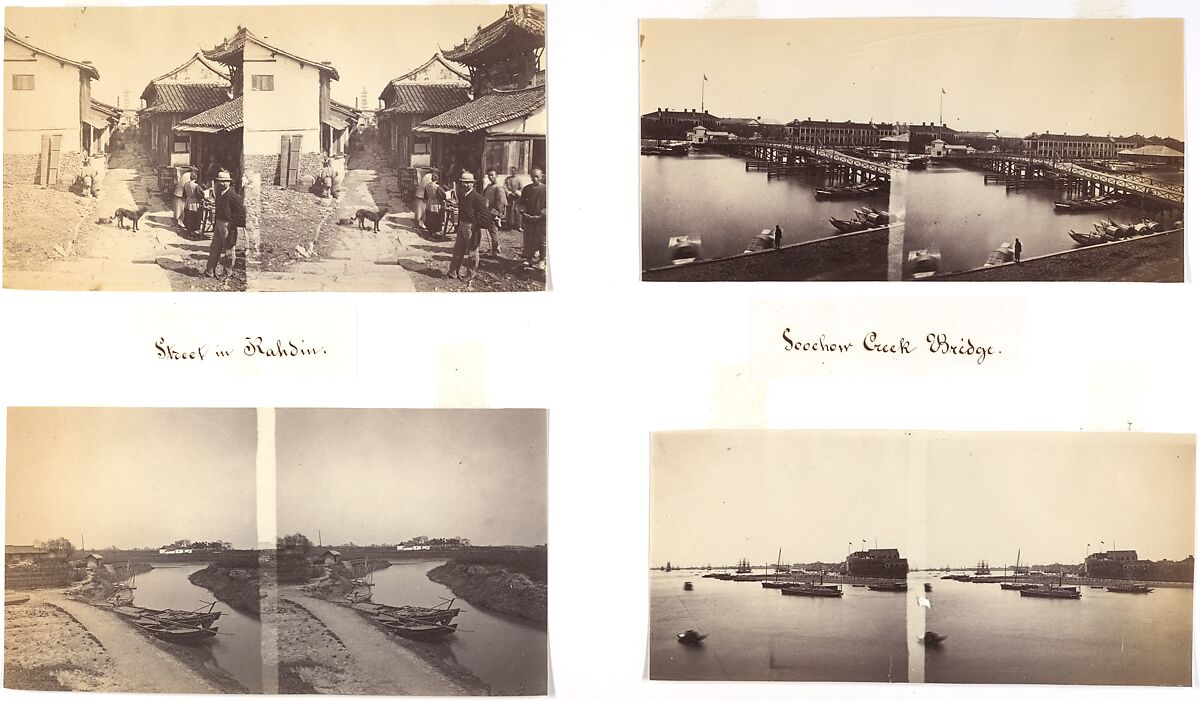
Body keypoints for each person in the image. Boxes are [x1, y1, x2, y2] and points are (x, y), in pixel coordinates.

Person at [447, 172, 489, 282]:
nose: (465, 185)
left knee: (472, 251)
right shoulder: (462, 195)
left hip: (471, 226)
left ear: (473, 184)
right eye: (463, 183)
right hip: (462, 225)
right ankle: (453, 272)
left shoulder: (477, 197)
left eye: (468, 183)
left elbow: (485, 214)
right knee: (458, 249)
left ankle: (470, 274)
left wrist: (477, 224)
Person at [205, 170, 246, 278]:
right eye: (220, 181)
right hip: (219, 223)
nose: (221, 183)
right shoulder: (219, 192)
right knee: (215, 248)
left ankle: (227, 273)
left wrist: (232, 224)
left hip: (228, 225)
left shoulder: (233, 196)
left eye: (224, 181)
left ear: (229, 182)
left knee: (228, 249)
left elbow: (241, 213)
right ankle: (210, 270)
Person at [520, 168, 547, 269]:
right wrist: (524, 213)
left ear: (541, 176)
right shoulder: (527, 189)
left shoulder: (546, 189)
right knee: (529, 239)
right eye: (533, 176)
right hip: (529, 219)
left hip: (542, 220)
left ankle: (542, 259)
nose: (535, 178)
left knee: (542, 240)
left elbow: (548, 205)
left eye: (537, 176)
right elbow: (522, 203)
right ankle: (529, 258)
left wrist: (541, 215)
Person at [481, 168, 508, 257]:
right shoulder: (489, 186)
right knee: (490, 231)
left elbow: (501, 203)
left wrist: (497, 214)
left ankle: (494, 252)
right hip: (487, 212)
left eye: (492, 175)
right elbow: (483, 197)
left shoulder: (499, 188)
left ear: (497, 176)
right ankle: (496, 247)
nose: (491, 177)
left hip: (493, 213)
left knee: (493, 232)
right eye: (489, 175)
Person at [504, 166, 523, 231]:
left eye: (514, 171)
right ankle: (509, 225)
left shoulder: (519, 179)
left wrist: (518, 192)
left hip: (517, 198)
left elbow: (521, 187)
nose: (513, 172)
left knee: (517, 211)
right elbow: (505, 187)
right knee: (509, 211)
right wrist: (509, 193)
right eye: (511, 171)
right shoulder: (507, 179)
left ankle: (518, 226)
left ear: (516, 172)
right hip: (510, 197)